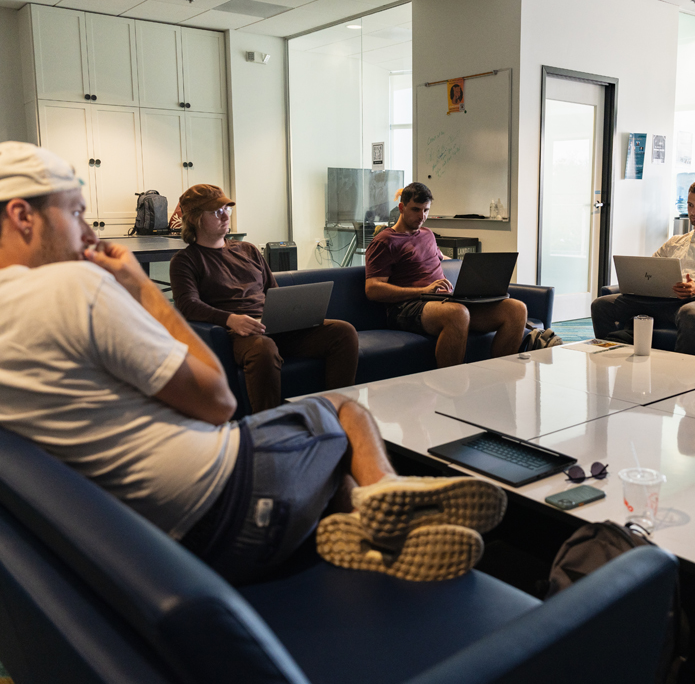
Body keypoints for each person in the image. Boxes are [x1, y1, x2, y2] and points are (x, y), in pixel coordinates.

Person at [0, 141, 506, 584]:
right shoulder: (74, 287)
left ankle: (360, 523)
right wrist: (137, 287)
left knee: (338, 355)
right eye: (75, 214)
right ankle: (385, 490)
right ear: (23, 217)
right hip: (228, 504)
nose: (87, 234)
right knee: (343, 413)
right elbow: (217, 402)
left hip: (160, 529)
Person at [169, 184, 359, 413]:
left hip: (273, 325)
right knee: (263, 349)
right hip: (238, 333)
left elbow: (273, 290)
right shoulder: (185, 260)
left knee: (343, 332)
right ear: (196, 219)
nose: (224, 215)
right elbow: (188, 305)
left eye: (226, 209)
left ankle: (336, 412)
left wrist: (291, 315)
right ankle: (270, 426)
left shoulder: (247, 250)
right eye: (215, 212)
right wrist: (231, 320)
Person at [365, 182, 528, 367]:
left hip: (442, 300)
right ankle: (450, 388)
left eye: (426, 210)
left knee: (516, 309)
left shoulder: (427, 234)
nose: (422, 216)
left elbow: (441, 258)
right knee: (457, 314)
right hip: (406, 307)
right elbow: (372, 289)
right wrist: (422, 291)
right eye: (416, 210)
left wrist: (474, 274)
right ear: (401, 207)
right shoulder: (384, 241)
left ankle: (500, 380)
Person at [590, 179, 695, 355]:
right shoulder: (675, 242)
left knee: (690, 313)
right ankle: (608, 355)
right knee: (601, 305)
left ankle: (683, 372)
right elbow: (649, 270)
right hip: (663, 301)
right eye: (690, 205)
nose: (693, 211)